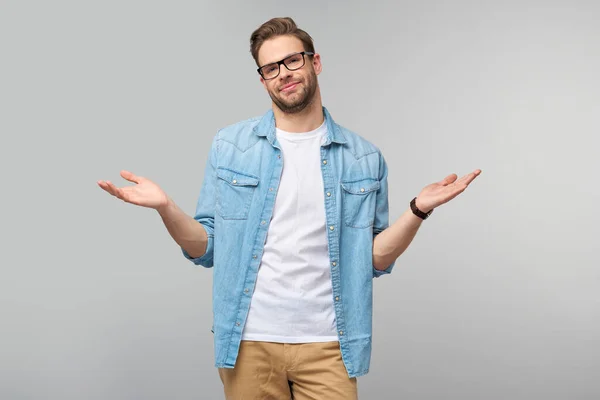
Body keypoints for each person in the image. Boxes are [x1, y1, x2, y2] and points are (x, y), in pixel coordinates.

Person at [98, 16, 481, 400]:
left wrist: (417, 210)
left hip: (330, 344)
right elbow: (206, 248)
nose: (284, 73)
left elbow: (373, 260)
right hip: (250, 343)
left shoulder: (364, 158)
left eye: (292, 61)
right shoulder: (230, 146)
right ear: (262, 79)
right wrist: (166, 207)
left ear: (314, 62)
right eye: (271, 68)